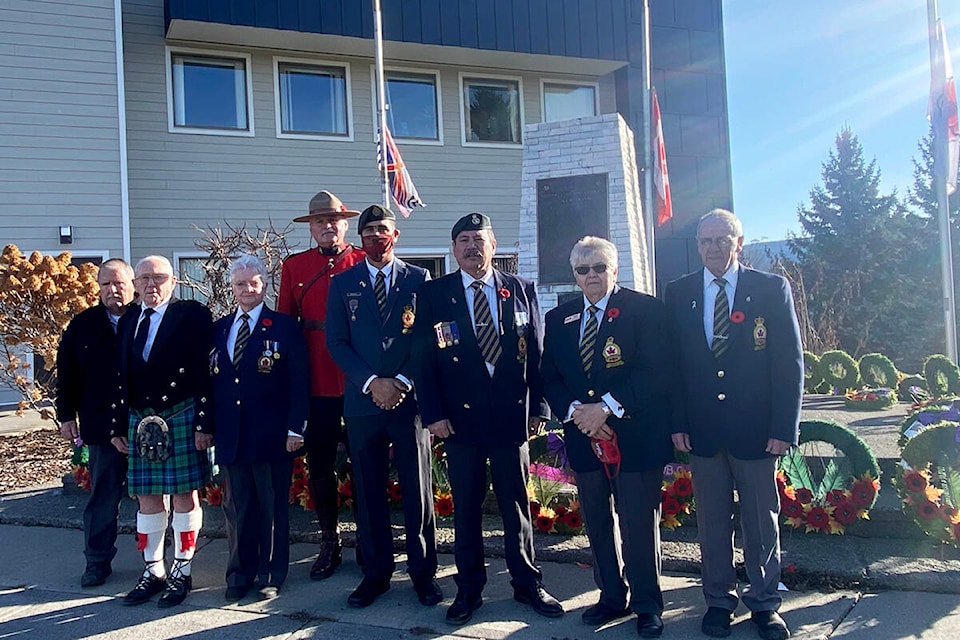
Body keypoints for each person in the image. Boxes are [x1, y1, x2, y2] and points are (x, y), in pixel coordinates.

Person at [414, 212, 563, 625]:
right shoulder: (435, 294)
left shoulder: (519, 289)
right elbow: (423, 361)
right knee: (466, 508)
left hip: (510, 419)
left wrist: (540, 409)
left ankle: (527, 583)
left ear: (494, 246)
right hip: (459, 423)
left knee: (516, 506)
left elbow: (536, 354)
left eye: (479, 239)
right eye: (463, 240)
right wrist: (434, 414)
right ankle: (469, 589)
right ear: (454, 249)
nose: (471, 247)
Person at [666, 209, 802, 640]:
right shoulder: (679, 292)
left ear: (739, 243)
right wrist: (677, 422)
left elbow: (789, 364)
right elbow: (675, 368)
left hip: (758, 430)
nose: (712, 248)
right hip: (703, 430)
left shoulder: (770, 288)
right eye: (705, 241)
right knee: (711, 521)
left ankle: (764, 603)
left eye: (722, 240)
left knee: (762, 521)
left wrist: (784, 427)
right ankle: (718, 601)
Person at [541, 236, 673, 638]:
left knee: (637, 525)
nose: (592, 275)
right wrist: (578, 415)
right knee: (598, 522)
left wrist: (607, 408)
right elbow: (551, 376)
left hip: (633, 436)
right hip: (584, 437)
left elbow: (655, 371)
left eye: (599, 267)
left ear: (615, 269)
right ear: (575, 276)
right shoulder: (559, 318)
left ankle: (647, 604)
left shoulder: (645, 310)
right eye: (583, 269)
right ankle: (610, 596)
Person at [326, 204, 441, 608]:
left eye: (383, 229)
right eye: (369, 230)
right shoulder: (343, 283)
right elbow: (336, 342)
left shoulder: (419, 278)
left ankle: (424, 573)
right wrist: (373, 383)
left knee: (418, 489)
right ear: (359, 238)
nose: (377, 236)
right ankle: (375, 574)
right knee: (368, 490)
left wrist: (403, 382)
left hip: (408, 403)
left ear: (396, 235)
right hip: (363, 402)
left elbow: (427, 338)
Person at [111, 255, 215, 608]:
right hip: (140, 418)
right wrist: (116, 425)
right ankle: (153, 569)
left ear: (173, 282)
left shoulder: (192, 316)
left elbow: (205, 371)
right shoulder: (127, 321)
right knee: (147, 499)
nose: (151, 284)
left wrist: (204, 423)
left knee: (185, 496)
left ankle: (181, 570)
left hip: (181, 413)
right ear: (135, 285)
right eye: (144, 279)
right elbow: (118, 376)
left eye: (159, 277)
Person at [277, 190, 366, 580]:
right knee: (320, 468)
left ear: (345, 224)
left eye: (334, 220)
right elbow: (285, 327)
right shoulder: (294, 267)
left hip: (359, 380)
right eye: (319, 221)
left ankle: (369, 537)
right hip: (316, 381)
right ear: (310, 227)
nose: (327, 226)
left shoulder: (363, 261)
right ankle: (329, 539)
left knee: (367, 464)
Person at [211, 255, 309, 602]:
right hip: (231, 436)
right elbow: (214, 384)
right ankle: (239, 574)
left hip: (272, 435)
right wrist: (207, 427)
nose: (247, 289)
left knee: (270, 508)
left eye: (253, 283)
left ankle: (270, 573)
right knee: (237, 510)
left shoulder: (282, 326)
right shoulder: (221, 327)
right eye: (240, 284)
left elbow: (299, 382)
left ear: (264, 285)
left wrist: (297, 428)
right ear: (232, 288)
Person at [56, 258, 136, 588]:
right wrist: (65, 415)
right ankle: (97, 561)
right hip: (101, 425)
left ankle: (160, 560)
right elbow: (67, 375)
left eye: (119, 283)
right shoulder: (82, 325)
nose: (112, 290)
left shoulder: (148, 319)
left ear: (132, 284)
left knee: (158, 495)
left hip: (147, 424)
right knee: (104, 495)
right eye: (105, 285)